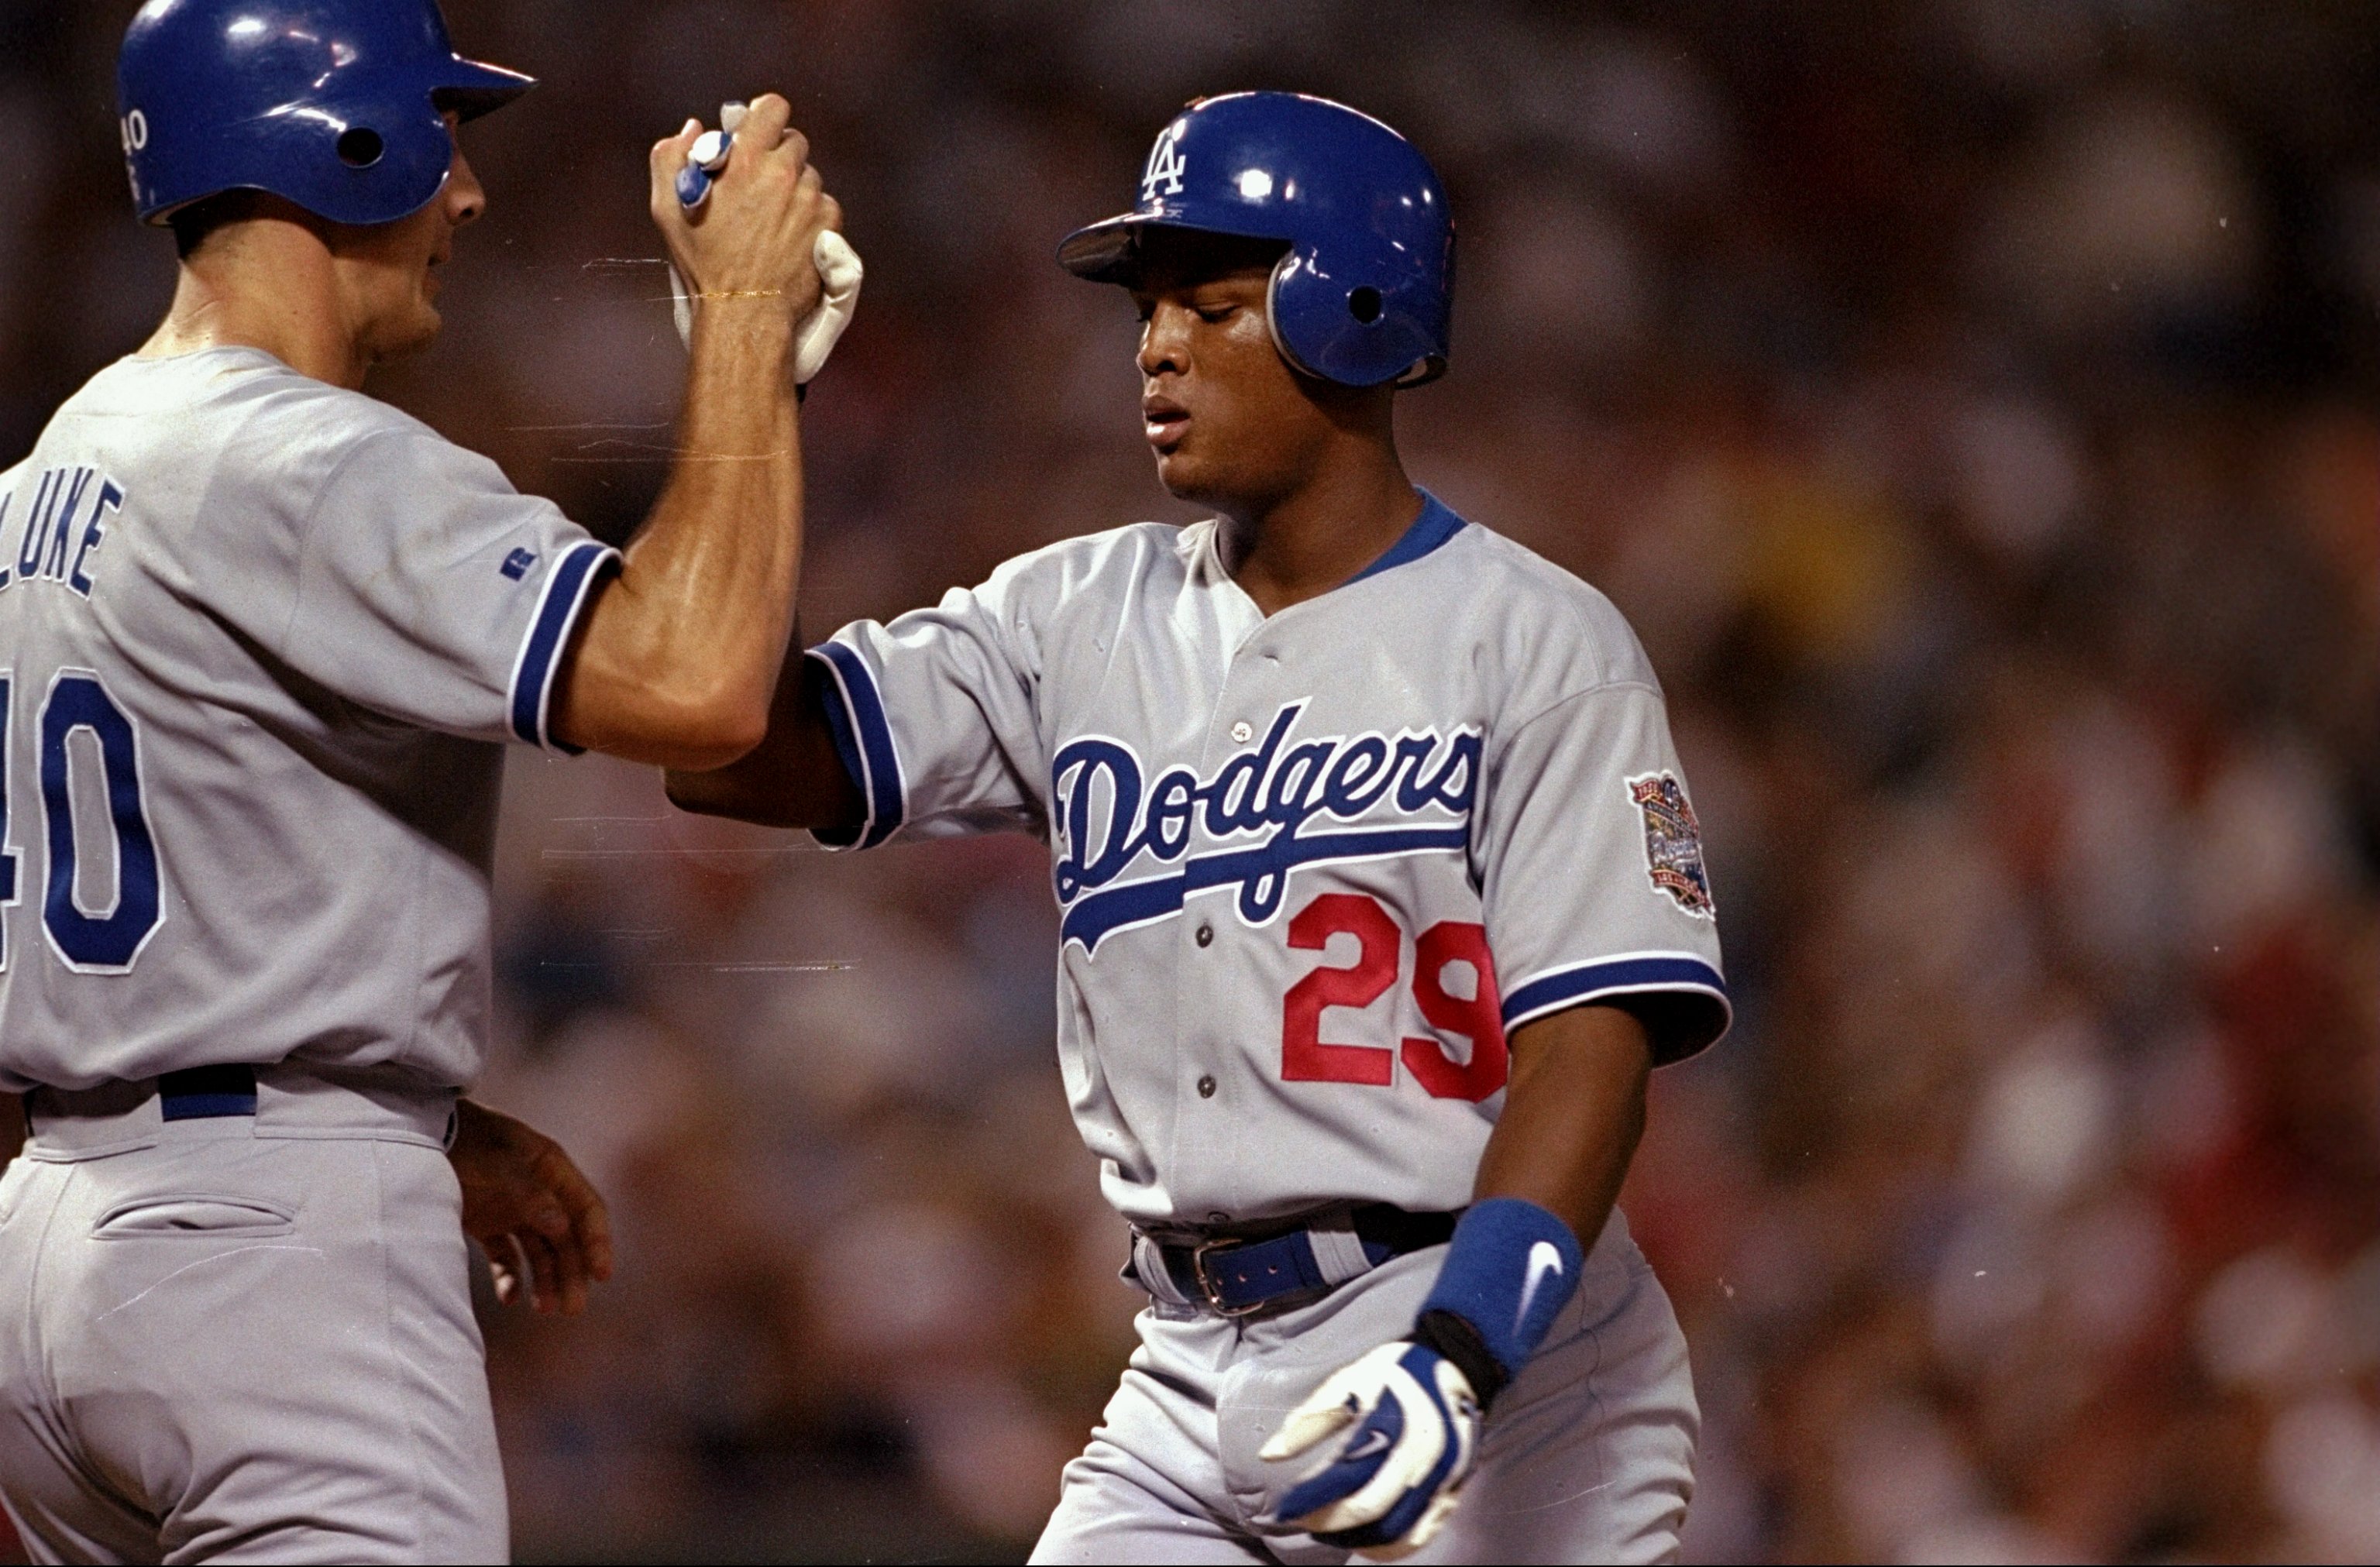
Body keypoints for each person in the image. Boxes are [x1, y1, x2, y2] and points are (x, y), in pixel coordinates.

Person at [669, 92, 1728, 1562]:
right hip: (1183, 1363)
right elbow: (723, 743)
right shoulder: (1069, 615)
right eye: (1148, 309)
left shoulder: (1537, 638)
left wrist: (1461, 1353)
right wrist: (744, 385)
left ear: (1353, 307)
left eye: (1212, 305)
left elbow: (1593, 1055)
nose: (1156, 347)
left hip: (1506, 1359)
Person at [0, 0, 844, 1558]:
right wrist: (741, 319)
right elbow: (702, 684)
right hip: (274, 1276)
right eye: (440, 132)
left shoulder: (47, 475)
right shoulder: (302, 456)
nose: (465, 191)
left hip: (50, 1246)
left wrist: (416, 1125)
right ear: (348, 142)